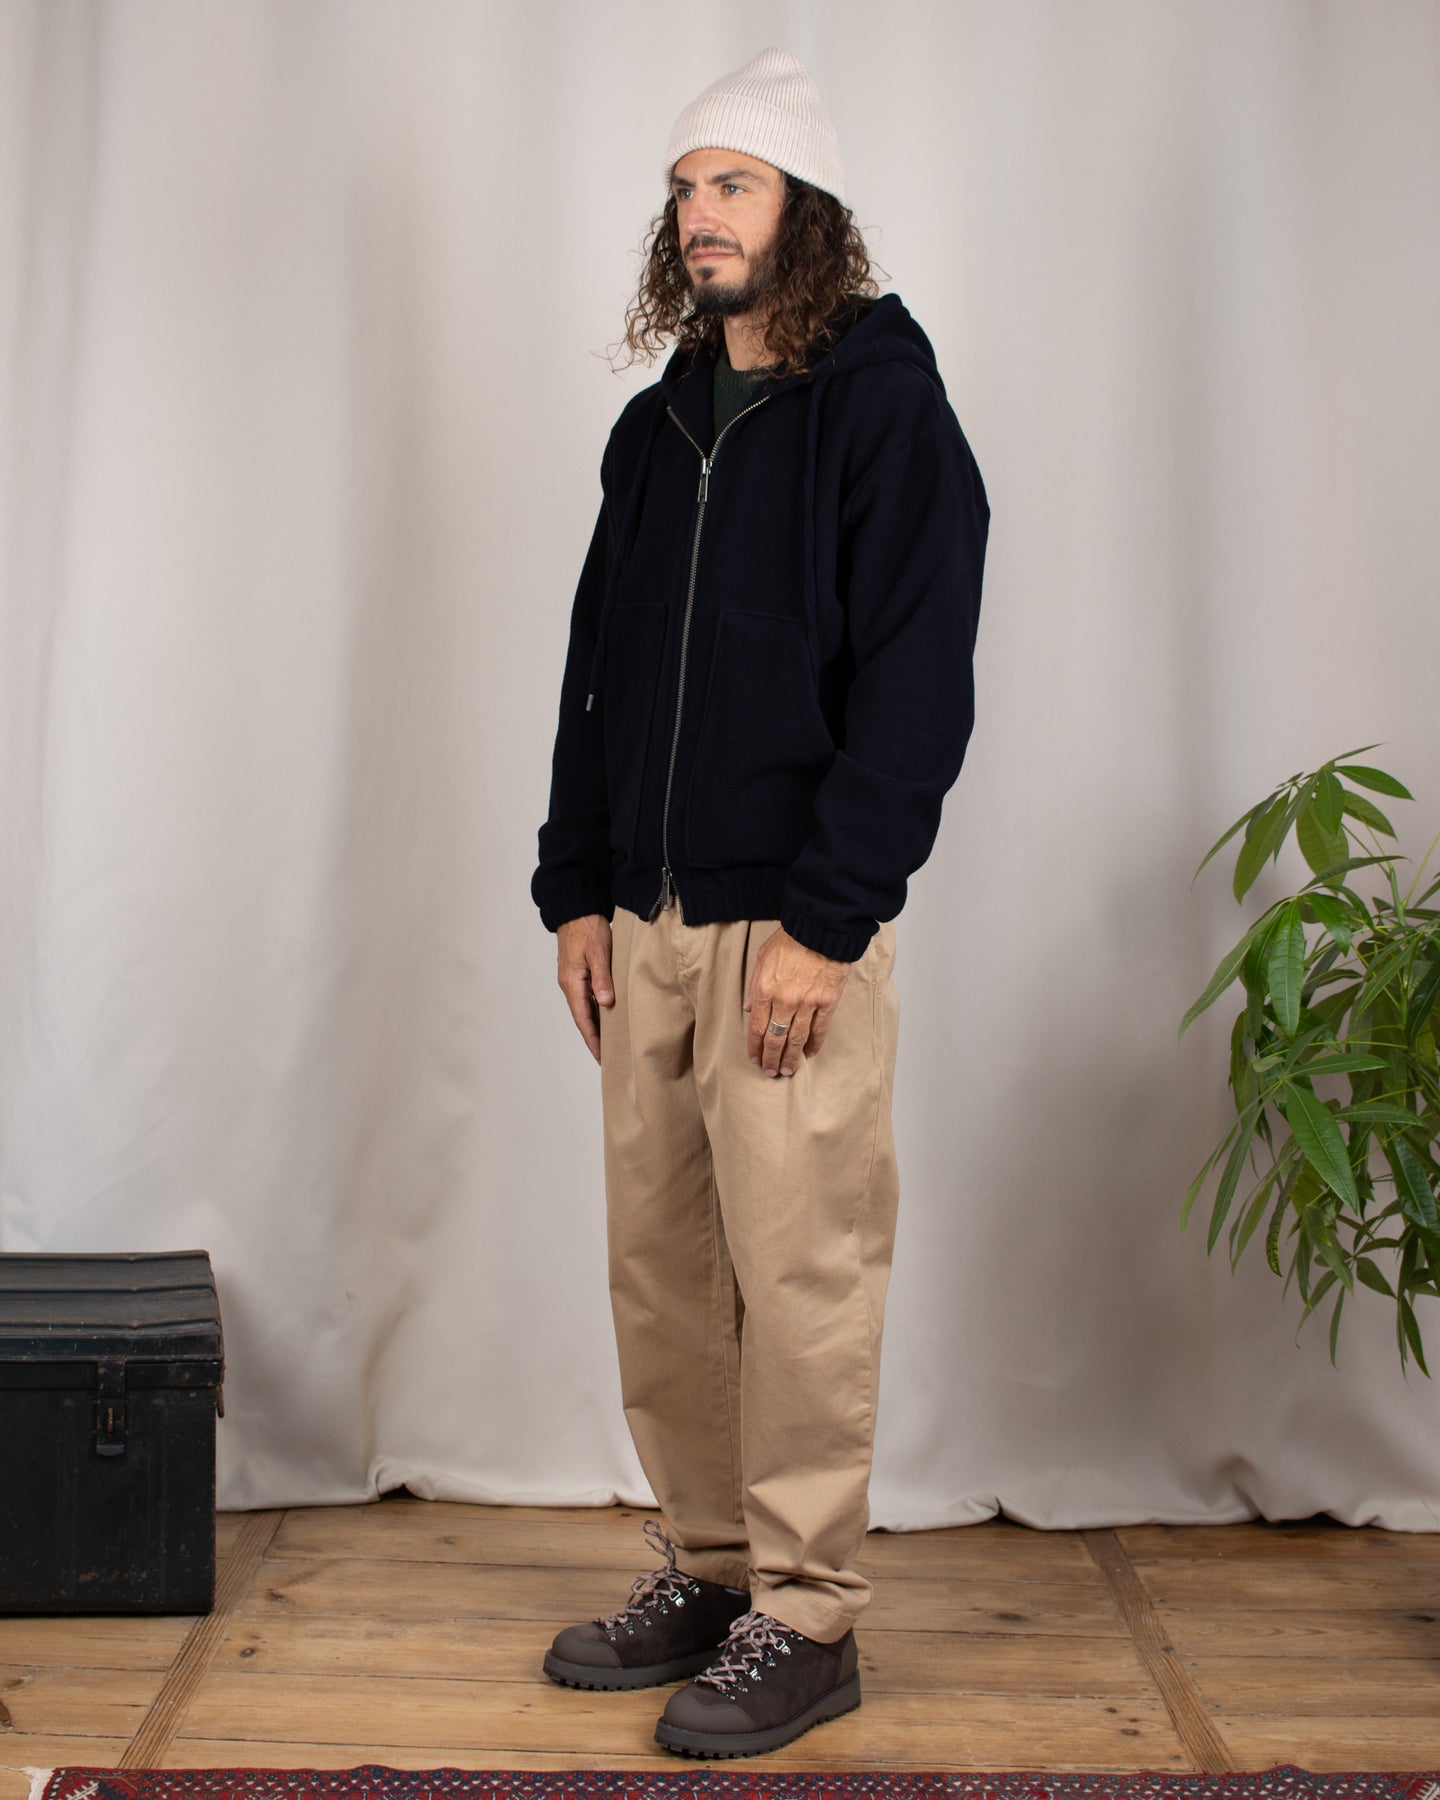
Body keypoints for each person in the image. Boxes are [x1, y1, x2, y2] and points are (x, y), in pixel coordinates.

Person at [529, 46, 990, 1759]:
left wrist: (831, 918)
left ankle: (808, 1614)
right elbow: (595, 671)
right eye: (683, 188)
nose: (698, 214)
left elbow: (918, 689)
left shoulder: (885, 409)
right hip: (644, 925)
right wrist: (576, 888)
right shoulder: (657, 428)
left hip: (793, 928)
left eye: (733, 183)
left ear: (809, 210)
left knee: (799, 1277)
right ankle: (710, 1568)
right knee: (661, 1272)